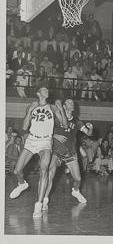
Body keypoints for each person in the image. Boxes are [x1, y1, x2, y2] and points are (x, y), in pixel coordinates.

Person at [9, 87, 68, 218]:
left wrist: (61, 109)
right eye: (44, 89)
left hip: (45, 141)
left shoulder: (52, 108)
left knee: (44, 168)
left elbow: (65, 125)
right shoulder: (32, 106)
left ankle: (38, 205)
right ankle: (22, 184)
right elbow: (24, 127)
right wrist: (30, 110)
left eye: (48, 89)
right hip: (31, 140)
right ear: (38, 93)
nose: (47, 90)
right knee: (17, 171)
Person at [42, 99, 93, 210]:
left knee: (78, 179)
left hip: (71, 154)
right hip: (57, 153)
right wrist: (55, 135)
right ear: (63, 106)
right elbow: (45, 130)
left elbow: (88, 133)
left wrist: (91, 128)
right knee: (50, 173)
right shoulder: (56, 118)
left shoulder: (77, 121)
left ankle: (75, 191)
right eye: (69, 102)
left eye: (72, 102)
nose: (72, 103)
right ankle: (45, 200)